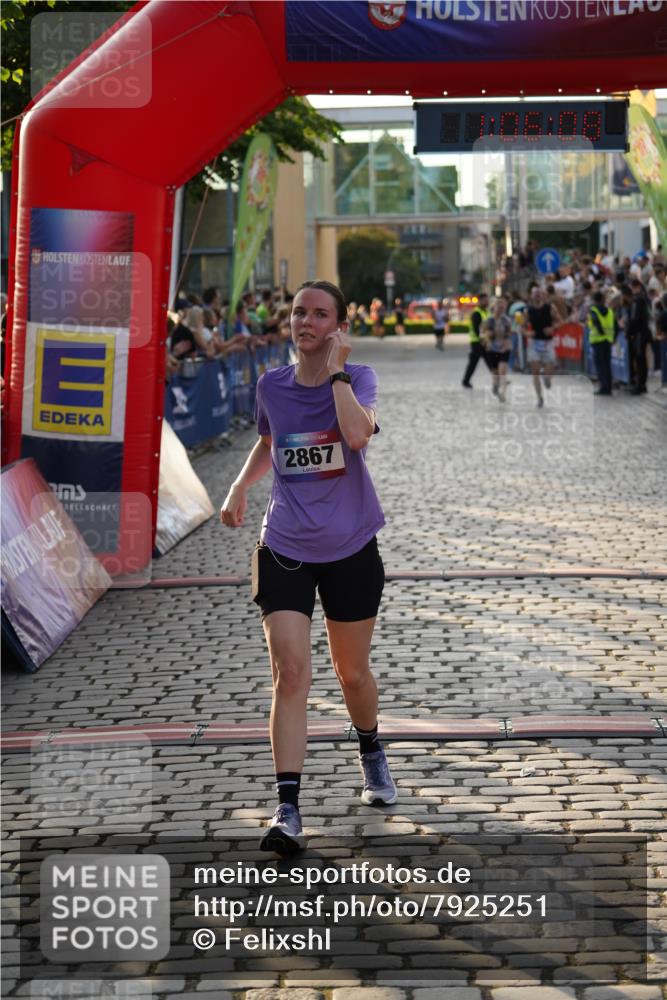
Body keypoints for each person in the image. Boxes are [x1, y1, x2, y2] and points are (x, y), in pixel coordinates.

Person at [220, 279, 396, 856]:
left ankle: (370, 747)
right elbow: (271, 441)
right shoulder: (271, 384)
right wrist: (241, 486)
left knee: (351, 675)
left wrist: (340, 373)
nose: (306, 322)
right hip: (285, 545)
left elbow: (354, 434)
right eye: (299, 313)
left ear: (339, 325)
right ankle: (288, 807)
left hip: (349, 546)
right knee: (290, 672)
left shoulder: (360, 379)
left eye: (320, 314)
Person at [526, 286, 558, 407]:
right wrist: (527, 332)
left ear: (543, 295)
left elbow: (560, 321)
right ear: (532, 296)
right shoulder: (528, 310)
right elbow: (520, 326)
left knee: (550, 366)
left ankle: (547, 378)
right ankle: (539, 398)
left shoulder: (550, 308)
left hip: (547, 343)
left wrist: (552, 328)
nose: (538, 295)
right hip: (534, 343)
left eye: (540, 293)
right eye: (535, 293)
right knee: (535, 371)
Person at [587, 289, 617, 396]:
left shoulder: (593, 310)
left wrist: (601, 332)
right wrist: (613, 338)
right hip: (608, 341)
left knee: (600, 366)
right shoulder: (609, 311)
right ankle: (608, 388)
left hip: (598, 341)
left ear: (595, 300)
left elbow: (596, 322)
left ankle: (603, 388)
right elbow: (616, 325)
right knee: (607, 365)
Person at [482, 297, 512, 402]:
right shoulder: (488, 320)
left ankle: (503, 393)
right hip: (492, 349)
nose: (500, 309)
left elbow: (509, 332)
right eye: (498, 307)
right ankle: (495, 386)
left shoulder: (507, 320)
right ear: (494, 308)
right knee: (495, 372)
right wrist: (487, 336)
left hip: (504, 348)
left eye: (502, 307)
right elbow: (482, 333)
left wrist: (506, 339)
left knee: (502, 371)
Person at [461, 292, 489, 387]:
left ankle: (499, 378)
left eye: (487, 299)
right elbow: (476, 329)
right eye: (485, 300)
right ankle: (465, 381)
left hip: (483, 342)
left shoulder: (485, 312)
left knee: (491, 361)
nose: (487, 301)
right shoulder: (476, 313)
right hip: (477, 343)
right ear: (480, 301)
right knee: (473, 363)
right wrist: (483, 340)